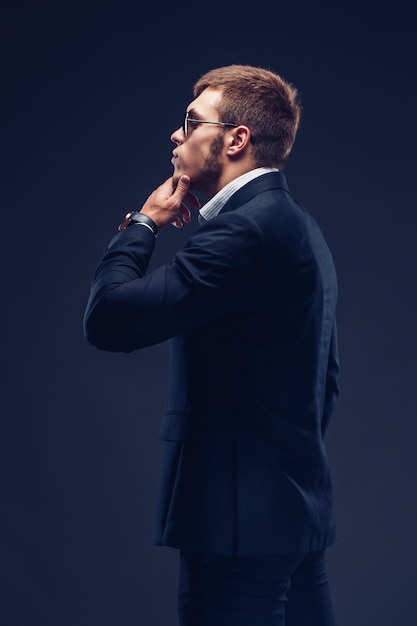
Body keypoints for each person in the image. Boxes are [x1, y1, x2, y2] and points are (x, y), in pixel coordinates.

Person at [83, 64, 340, 626]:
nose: (176, 135)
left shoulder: (246, 231)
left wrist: (142, 223)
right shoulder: (298, 226)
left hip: (237, 528)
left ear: (236, 139)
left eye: (191, 121)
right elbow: (326, 381)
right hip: (292, 516)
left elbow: (108, 320)